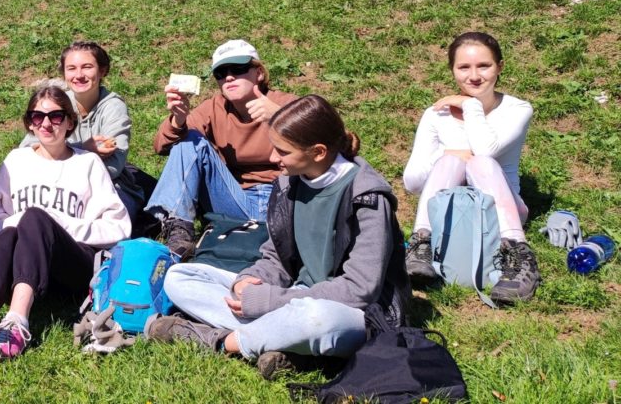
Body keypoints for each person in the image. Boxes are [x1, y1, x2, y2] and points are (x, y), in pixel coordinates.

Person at [148, 95, 408, 381]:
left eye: (282, 151)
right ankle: (286, 344)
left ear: (318, 152)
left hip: (353, 313)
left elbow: (360, 290)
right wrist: (247, 280)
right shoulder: (288, 183)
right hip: (293, 297)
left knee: (315, 319)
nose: (273, 159)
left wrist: (271, 301)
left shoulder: (367, 197)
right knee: (180, 277)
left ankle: (223, 342)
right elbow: (276, 257)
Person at [0, 83, 130, 360]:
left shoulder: (88, 162)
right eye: (37, 117)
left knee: (35, 217)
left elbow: (119, 226)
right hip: (24, 264)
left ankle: (17, 322)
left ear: (69, 122)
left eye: (55, 116)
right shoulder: (16, 160)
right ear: (29, 124)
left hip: (72, 266)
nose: (46, 124)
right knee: (10, 232)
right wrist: (19, 221)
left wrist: (59, 224)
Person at [402, 32, 537, 303]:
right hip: (448, 214)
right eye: (464, 67)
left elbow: (486, 150)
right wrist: (449, 154)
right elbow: (413, 182)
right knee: (451, 160)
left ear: (500, 67)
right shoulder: (436, 114)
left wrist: (470, 106)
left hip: (502, 215)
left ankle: (518, 254)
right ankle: (421, 244)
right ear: (452, 70)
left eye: (484, 66)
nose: (474, 76)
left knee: (482, 162)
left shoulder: (517, 109)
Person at [151, 39, 298, 259]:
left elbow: (330, 144)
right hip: (233, 199)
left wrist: (280, 117)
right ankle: (180, 231)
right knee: (188, 140)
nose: (229, 77)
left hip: (283, 202)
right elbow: (161, 146)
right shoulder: (214, 107)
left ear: (258, 72)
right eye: (221, 73)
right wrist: (178, 121)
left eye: (238, 69)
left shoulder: (287, 103)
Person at [20, 41, 150, 231]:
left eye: (87, 67)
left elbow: (113, 166)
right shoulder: (56, 104)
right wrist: (84, 149)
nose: (79, 75)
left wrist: (57, 158)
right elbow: (26, 152)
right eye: (71, 68)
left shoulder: (113, 107)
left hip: (110, 189)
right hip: (58, 189)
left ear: (102, 71)